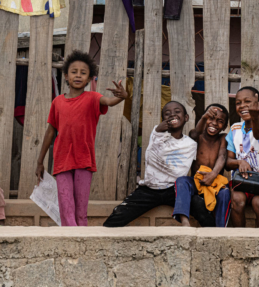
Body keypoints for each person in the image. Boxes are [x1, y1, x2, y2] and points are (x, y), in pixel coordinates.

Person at [35, 50, 127, 226]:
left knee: (80, 210)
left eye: (83, 73)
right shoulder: (57, 102)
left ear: (89, 79)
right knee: (66, 206)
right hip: (62, 160)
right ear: (66, 76)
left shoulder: (93, 98)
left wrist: (122, 97)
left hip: (84, 160)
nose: (78, 75)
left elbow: (109, 101)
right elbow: (50, 132)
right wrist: (40, 162)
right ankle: (71, 238)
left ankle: (81, 238)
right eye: (74, 72)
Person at [104, 101, 201, 227]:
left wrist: (160, 162)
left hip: (174, 190)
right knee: (117, 216)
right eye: (167, 113)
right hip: (150, 189)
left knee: (202, 208)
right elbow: (150, 158)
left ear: (186, 117)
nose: (172, 115)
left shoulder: (190, 144)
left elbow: (179, 171)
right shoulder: (157, 134)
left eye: (177, 112)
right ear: (163, 120)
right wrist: (157, 132)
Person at [173, 104, 232, 227]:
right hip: (197, 181)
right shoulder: (197, 136)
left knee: (225, 192)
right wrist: (204, 117)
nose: (214, 123)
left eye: (220, 121)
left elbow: (222, 156)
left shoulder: (223, 138)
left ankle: (221, 229)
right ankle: (184, 221)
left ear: (225, 126)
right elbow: (195, 133)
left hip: (215, 182)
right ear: (204, 119)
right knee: (182, 181)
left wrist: (213, 174)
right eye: (211, 118)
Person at [226, 86, 259, 227]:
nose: (242, 105)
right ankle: (240, 238)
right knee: (237, 200)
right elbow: (228, 162)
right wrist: (239, 163)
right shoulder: (234, 129)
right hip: (240, 182)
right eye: (238, 103)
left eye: (247, 101)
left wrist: (255, 117)